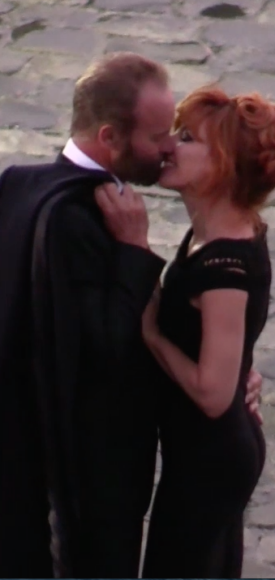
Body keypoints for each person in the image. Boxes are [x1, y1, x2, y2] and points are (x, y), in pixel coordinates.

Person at [0, 52, 263, 579]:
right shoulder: (75, 219)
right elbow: (106, 350)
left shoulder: (17, 183)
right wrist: (135, 255)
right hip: (72, 477)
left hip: (31, 458)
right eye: (159, 137)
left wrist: (229, 371)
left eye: (179, 136)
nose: (167, 147)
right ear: (110, 138)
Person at [112, 85, 270, 578]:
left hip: (211, 462)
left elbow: (212, 394)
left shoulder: (226, 264)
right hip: (203, 452)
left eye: (187, 139)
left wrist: (153, 332)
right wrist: (243, 366)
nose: (169, 146)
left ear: (223, 165)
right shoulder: (214, 233)